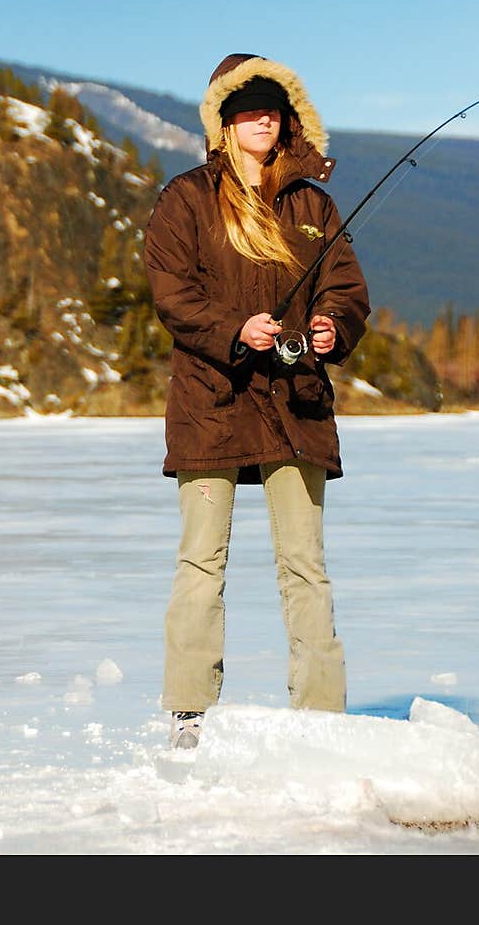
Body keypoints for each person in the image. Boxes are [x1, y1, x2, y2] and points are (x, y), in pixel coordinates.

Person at [143, 53, 371, 751]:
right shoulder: (184, 199)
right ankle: (188, 714)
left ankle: (321, 718)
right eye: (248, 106)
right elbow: (172, 292)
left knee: (304, 563)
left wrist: (333, 323)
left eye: (273, 106)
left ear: (288, 118)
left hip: (296, 402)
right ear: (224, 119)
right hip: (211, 401)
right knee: (200, 560)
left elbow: (347, 286)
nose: (262, 116)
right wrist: (234, 331)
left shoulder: (313, 203)